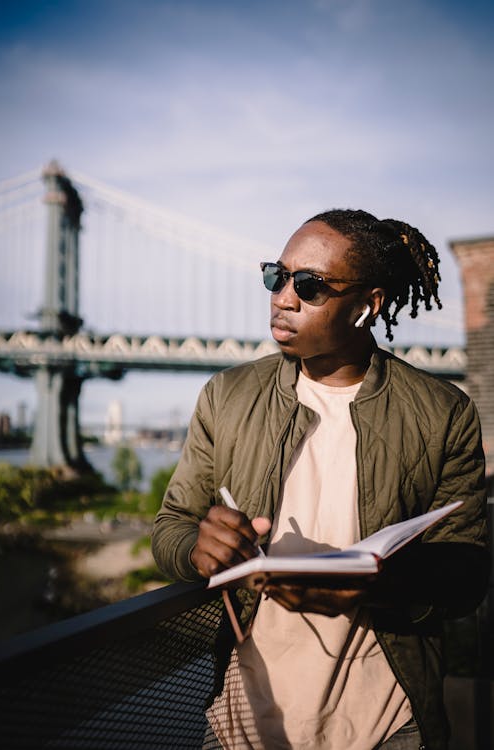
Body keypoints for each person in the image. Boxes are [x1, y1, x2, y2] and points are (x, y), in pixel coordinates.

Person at [152, 209, 489, 750]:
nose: (283, 297)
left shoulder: (442, 412)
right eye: (275, 276)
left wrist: (380, 583)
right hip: (243, 721)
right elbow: (170, 529)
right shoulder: (227, 396)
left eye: (309, 285)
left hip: (388, 725)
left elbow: (467, 572)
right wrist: (200, 547)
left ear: (367, 305)